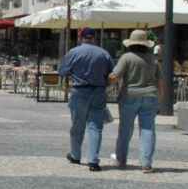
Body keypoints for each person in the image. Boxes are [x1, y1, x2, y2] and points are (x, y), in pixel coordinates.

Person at [58, 27, 115, 171]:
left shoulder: (74, 52)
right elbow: (112, 74)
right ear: (94, 37)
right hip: (99, 91)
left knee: (77, 125)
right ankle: (93, 160)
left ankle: (76, 155)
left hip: (80, 90)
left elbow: (62, 71)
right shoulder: (104, 53)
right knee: (96, 127)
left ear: (80, 37)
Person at [110, 30, 163, 173]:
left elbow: (115, 77)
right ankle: (146, 163)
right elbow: (160, 82)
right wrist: (160, 101)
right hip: (151, 96)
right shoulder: (153, 60)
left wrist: (103, 80)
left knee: (125, 128)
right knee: (147, 129)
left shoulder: (127, 57)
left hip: (129, 96)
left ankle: (121, 157)